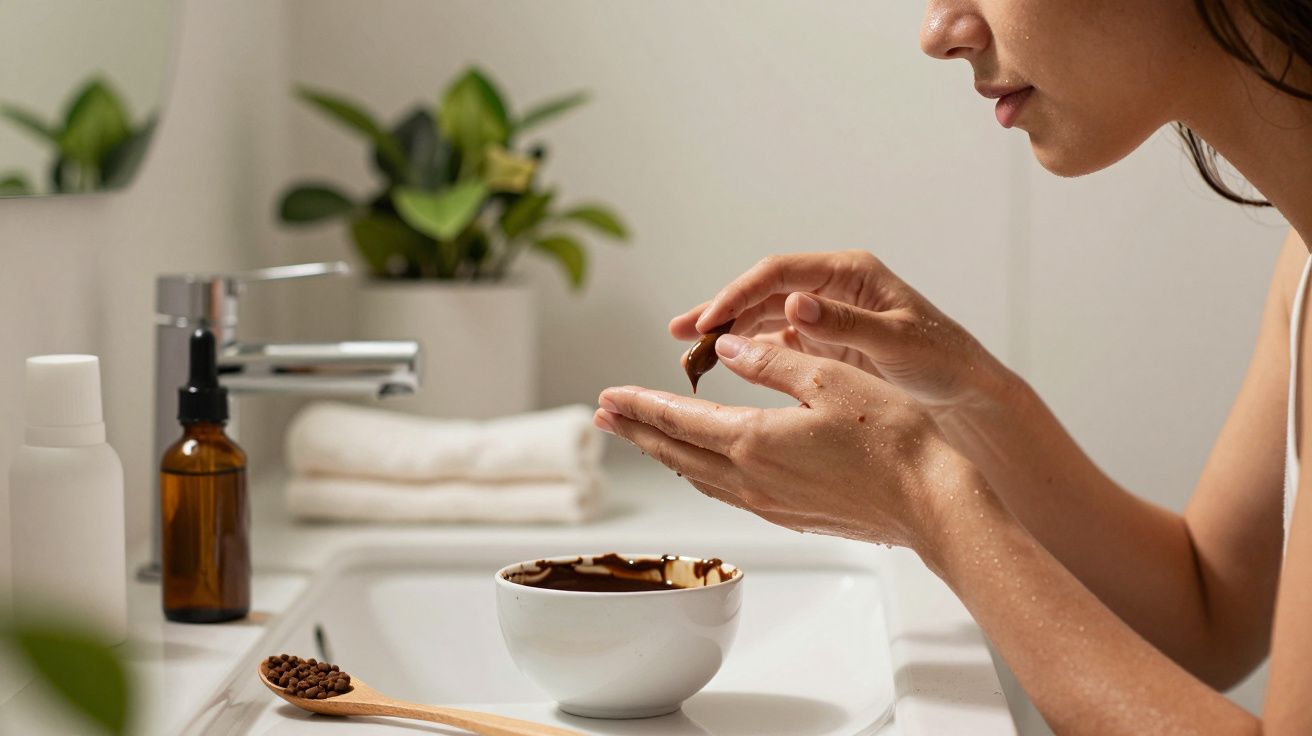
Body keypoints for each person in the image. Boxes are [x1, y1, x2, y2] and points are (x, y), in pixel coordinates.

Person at [593, 1, 1312, 733]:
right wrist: (967, 397)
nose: (938, 34)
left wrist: (927, 498)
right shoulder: (1304, 263)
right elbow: (1202, 617)